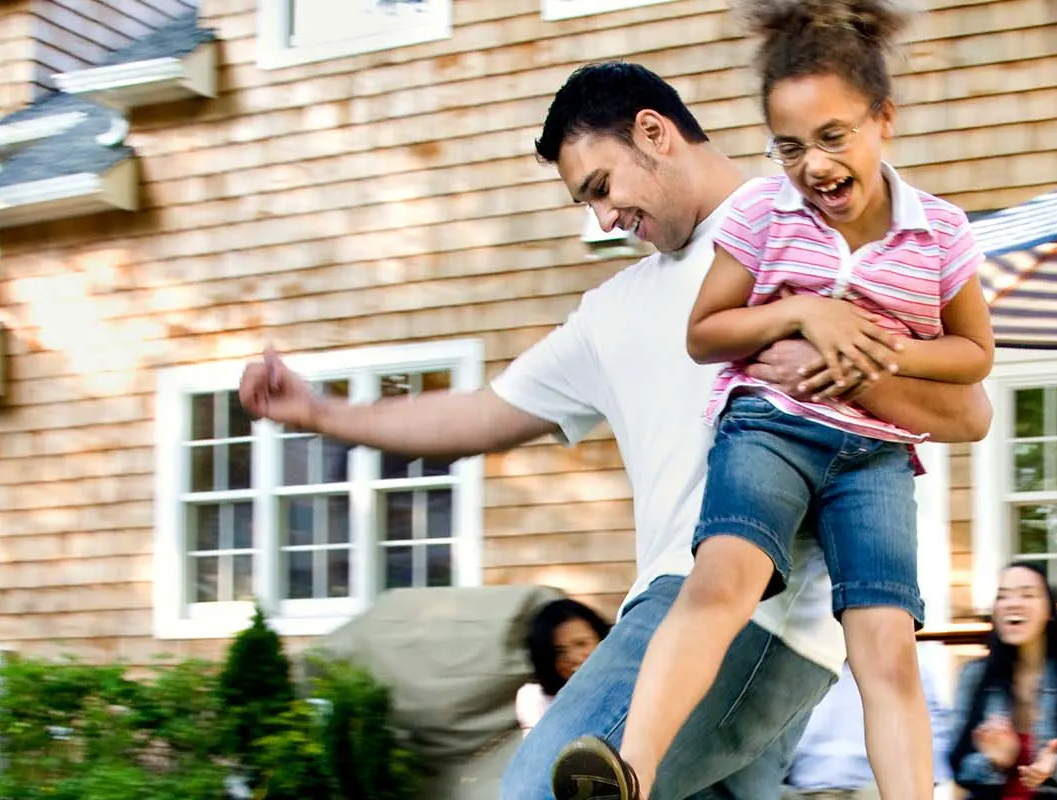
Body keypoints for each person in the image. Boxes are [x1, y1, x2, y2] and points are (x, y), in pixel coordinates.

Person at [235, 59, 992, 800]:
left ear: (655, 133)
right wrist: (320, 413)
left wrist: (847, 366)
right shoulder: (613, 311)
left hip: (757, 613)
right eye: (585, 202)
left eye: (603, 187)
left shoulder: (802, 224)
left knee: (538, 786)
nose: (603, 219)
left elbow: (967, 411)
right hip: (687, 627)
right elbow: (482, 413)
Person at [553, 2, 990, 799]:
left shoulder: (942, 234)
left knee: (886, 646)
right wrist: (799, 312)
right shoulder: (762, 212)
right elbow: (707, 330)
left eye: (832, 137)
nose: (812, 165)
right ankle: (632, 771)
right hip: (770, 431)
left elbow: (973, 356)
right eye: (788, 147)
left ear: (882, 120)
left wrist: (871, 349)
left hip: (877, 457)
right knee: (720, 581)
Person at [949, 562, 1057, 800]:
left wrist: (1054, 767)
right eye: (1003, 596)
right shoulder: (974, 676)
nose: (1013, 603)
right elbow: (960, 769)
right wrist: (996, 762)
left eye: (1028, 594)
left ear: (1049, 611)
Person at [782, 654, 956, 800]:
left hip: (876, 791)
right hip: (808, 791)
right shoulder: (803, 674)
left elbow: (934, 751)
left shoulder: (907, 672)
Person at [518, 598, 613, 731]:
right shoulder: (535, 699)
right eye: (559, 651)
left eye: (581, 644)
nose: (572, 657)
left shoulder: (629, 687)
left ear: (603, 640)